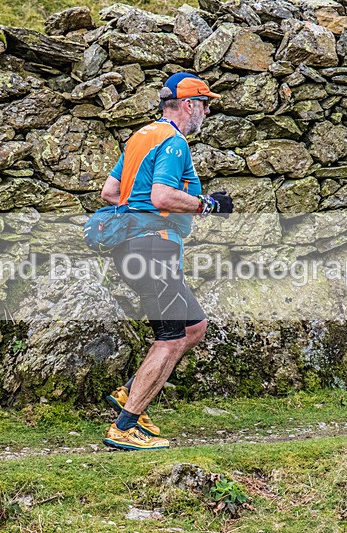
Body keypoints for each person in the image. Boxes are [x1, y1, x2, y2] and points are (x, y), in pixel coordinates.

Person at [98, 72, 234, 451]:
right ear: (188, 104)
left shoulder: (141, 136)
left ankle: (130, 395)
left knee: (194, 327)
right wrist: (210, 205)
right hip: (153, 250)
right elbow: (161, 196)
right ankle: (124, 427)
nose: (206, 112)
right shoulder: (174, 142)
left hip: (132, 246)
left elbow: (111, 192)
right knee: (170, 339)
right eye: (204, 104)